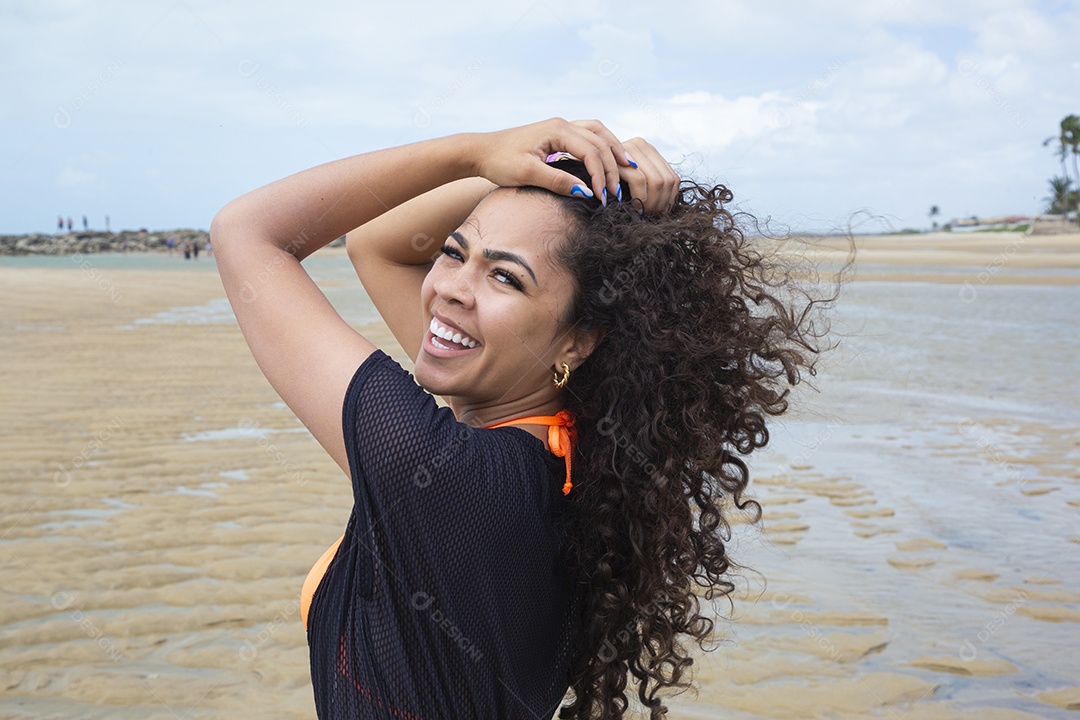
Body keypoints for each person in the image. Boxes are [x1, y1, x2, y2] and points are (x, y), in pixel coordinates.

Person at [212, 119, 828, 719]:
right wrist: (566, 176)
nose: (451, 288)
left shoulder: (452, 477)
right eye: (454, 252)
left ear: (578, 343)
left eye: (505, 277)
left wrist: (475, 152)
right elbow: (379, 246)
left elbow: (247, 231)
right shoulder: (576, 455)